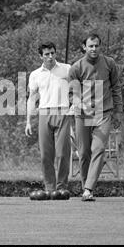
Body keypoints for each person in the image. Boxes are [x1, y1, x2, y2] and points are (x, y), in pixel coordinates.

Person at [69, 33, 123, 201]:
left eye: (97, 45)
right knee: (84, 153)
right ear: (84, 47)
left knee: (98, 149)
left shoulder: (109, 63)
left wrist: (118, 111)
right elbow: (72, 93)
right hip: (83, 115)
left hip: (104, 113)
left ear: (100, 46)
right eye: (90, 46)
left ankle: (88, 188)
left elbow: (116, 87)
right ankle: (87, 188)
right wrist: (78, 102)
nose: (94, 49)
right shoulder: (76, 67)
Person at [25, 42, 72, 195]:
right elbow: (32, 99)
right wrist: (28, 121)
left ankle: (62, 188)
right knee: (46, 154)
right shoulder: (35, 74)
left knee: (63, 154)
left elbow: (77, 89)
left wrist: (74, 108)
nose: (50, 56)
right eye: (47, 54)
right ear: (41, 56)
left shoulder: (67, 69)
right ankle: (50, 188)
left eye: (52, 53)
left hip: (63, 112)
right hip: (44, 113)